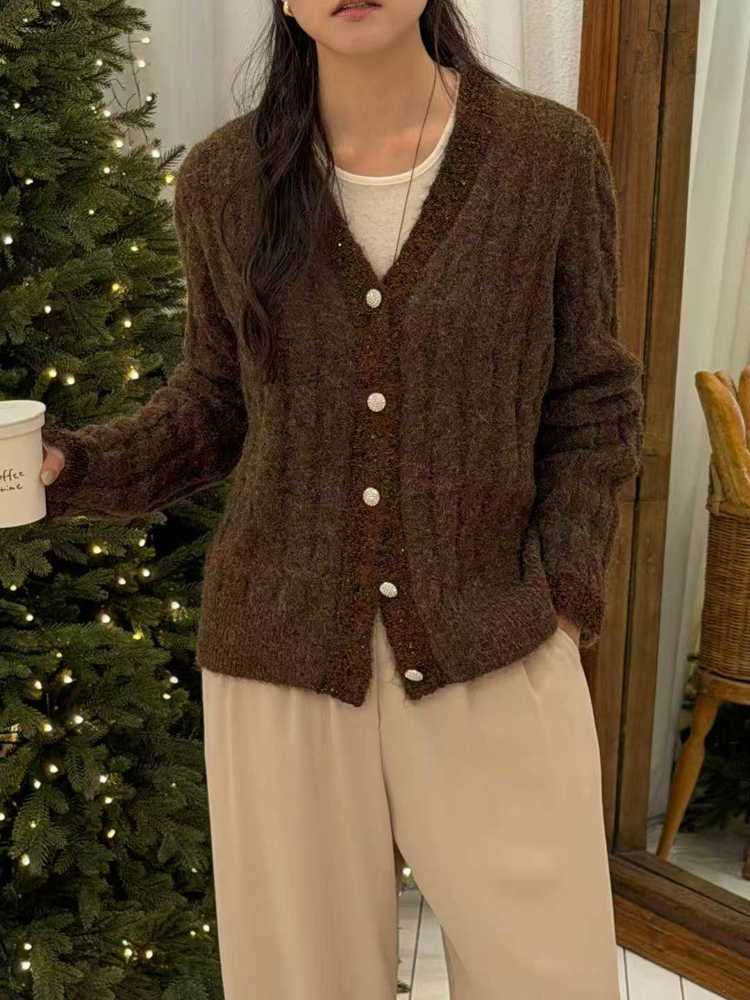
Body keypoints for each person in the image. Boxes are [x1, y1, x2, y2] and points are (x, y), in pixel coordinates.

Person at [40, 1, 645, 997]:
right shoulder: (225, 180)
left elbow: (592, 400)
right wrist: (74, 469)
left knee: (554, 976)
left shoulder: (547, 158)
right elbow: (214, 403)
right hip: (281, 656)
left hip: (493, 636)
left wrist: (565, 599)